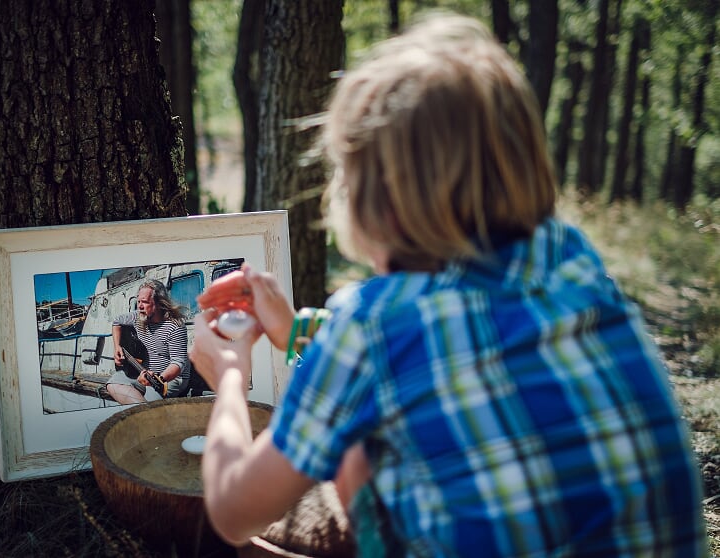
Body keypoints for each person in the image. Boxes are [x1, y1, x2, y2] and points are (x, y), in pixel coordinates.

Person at [189, 12, 709, 557]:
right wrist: (298, 330)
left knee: (353, 460)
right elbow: (461, 348)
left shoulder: (370, 325)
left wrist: (230, 375)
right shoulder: (570, 257)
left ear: (375, 202)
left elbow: (231, 513)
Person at [107, 279, 190, 404]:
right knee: (113, 383)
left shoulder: (175, 326)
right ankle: (143, 411)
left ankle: (144, 413)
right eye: (138, 301)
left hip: (169, 380)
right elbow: (117, 322)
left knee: (151, 399)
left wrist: (158, 379)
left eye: (144, 302)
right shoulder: (139, 316)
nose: (139, 306)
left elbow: (178, 363)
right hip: (143, 373)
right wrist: (117, 347)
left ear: (160, 303)